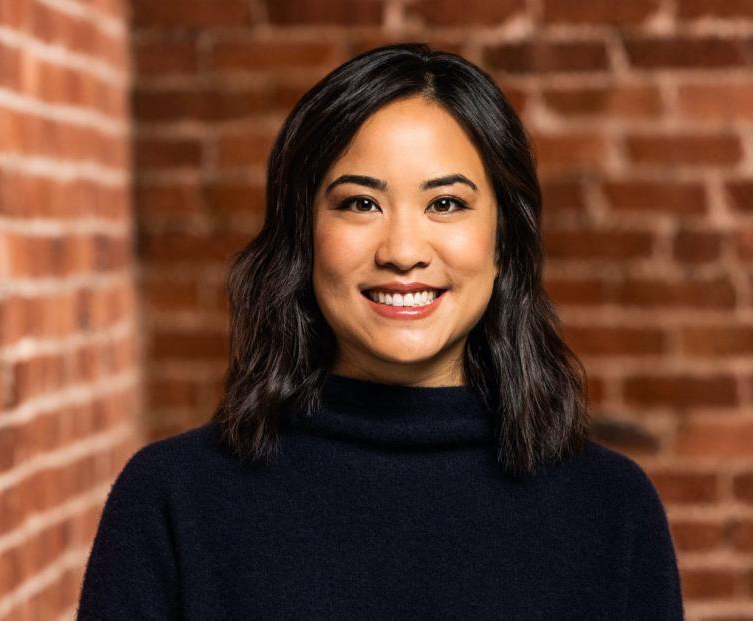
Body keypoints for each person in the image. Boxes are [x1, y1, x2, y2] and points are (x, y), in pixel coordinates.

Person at [77, 42, 685, 620]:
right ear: (303, 237)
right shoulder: (173, 499)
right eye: (360, 204)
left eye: (446, 203)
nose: (402, 251)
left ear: (504, 242)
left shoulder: (611, 509)